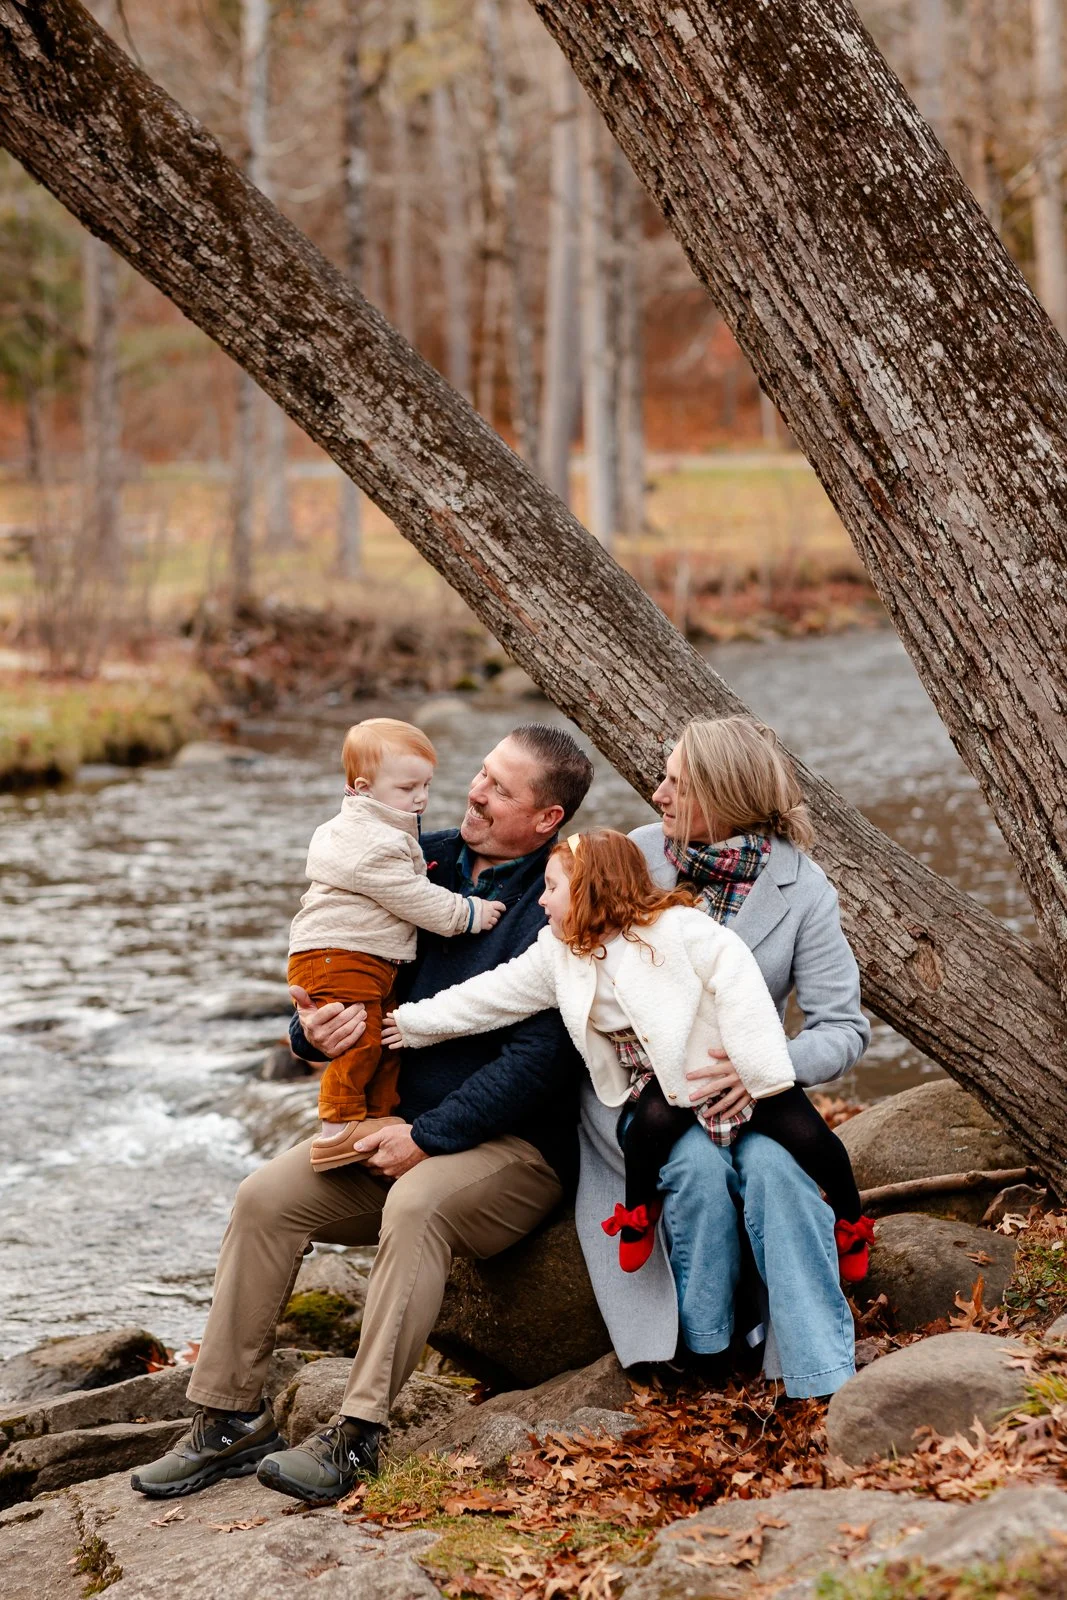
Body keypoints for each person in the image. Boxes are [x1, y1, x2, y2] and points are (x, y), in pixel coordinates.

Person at [131, 724, 594, 1505]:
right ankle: (226, 1419)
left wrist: (429, 1137)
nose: (475, 791)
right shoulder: (416, 854)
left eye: (502, 789)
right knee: (265, 1199)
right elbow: (333, 954)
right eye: (481, 773)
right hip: (387, 1126)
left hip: (511, 1149)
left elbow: (542, 1060)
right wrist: (308, 1031)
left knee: (417, 1203)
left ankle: (356, 1437)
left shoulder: (558, 896)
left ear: (547, 818)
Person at [383, 829, 868, 1278]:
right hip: (664, 1077)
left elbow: (736, 974)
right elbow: (489, 996)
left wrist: (758, 1062)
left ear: (589, 889)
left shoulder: (676, 927)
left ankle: (849, 1223)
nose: (543, 900)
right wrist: (410, 1024)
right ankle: (638, 1212)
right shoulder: (558, 952)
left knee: (810, 1138)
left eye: (552, 888)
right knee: (647, 1132)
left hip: (729, 1064)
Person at [577, 716, 871, 1398]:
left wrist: (764, 1066)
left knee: (780, 1176)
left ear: (727, 795)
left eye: (676, 783)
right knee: (697, 1172)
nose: (656, 795)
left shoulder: (803, 890)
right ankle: (703, 1354)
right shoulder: (632, 858)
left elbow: (842, 1029)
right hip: (648, 1098)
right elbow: (563, 956)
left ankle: (821, 1379)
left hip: (755, 1100)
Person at [288, 717, 505, 1172]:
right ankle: (338, 1127)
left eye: (426, 784)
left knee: (384, 1041)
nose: (421, 798)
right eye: (408, 788)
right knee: (361, 1041)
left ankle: (377, 1115)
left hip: (365, 958)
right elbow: (415, 897)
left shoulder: (382, 831)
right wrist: (467, 913)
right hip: (341, 955)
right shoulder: (374, 844)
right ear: (363, 787)